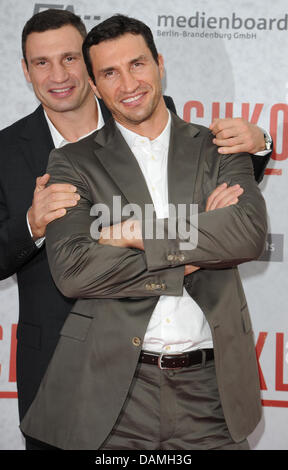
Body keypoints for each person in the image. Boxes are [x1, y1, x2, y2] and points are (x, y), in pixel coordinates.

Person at [20, 15, 267, 450]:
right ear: (94, 86)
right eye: (109, 73)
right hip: (113, 393)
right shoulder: (72, 164)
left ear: (159, 64)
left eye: (137, 64)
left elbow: (245, 234)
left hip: (212, 393)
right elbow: (75, 271)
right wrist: (198, 248)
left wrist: (134, 232)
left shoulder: (220, 145)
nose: (127, 83)